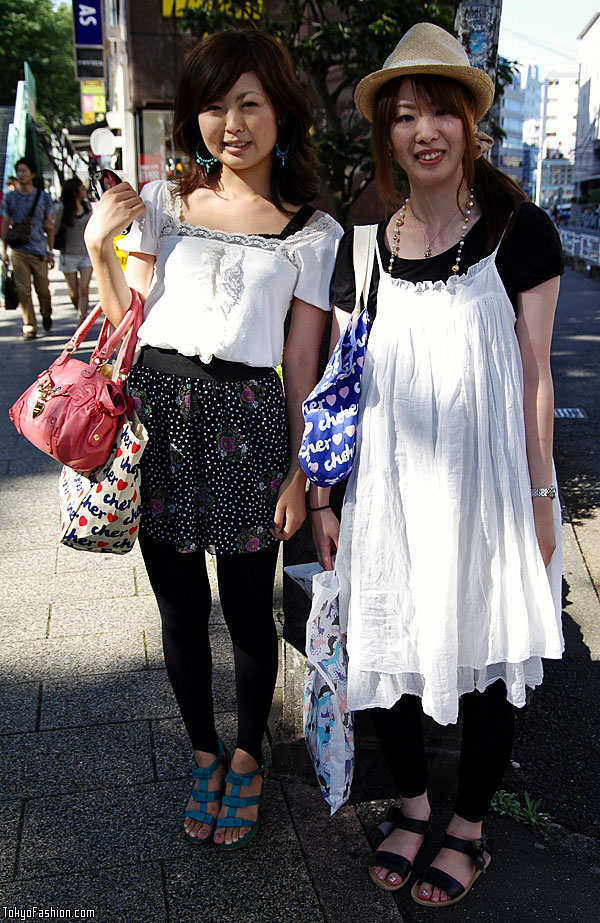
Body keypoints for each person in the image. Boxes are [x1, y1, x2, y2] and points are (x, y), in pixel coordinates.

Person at [310, 22, 564, 908]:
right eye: (405, 114)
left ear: (469, 126)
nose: (424, 130)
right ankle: (413, 809)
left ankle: (468, 827)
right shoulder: (363, 248)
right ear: (387, 135)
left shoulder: (520, 233)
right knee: (387, 635)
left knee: (490, 648)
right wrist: (323, 494)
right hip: (387, 490)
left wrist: (540, 495)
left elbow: (537, 378)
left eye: (440, 113)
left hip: (494, 487)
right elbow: (340, 391)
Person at [84, 30, 342, 850]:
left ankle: (247, 756)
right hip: (161, 417)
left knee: (246, 612)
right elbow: (132, 318)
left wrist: (304, 476)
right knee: (179, 609)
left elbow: (302, 364)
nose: (231, 121)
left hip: (246, 425)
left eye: (249, 102)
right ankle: (203, 753)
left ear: (281, 113)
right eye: (214, 103)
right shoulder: (166, 205)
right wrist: (99, 248)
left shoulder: (310, 228)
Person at [1, 157, 55, 339]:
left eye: (25, 171)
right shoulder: (10, 198)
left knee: (43, 291)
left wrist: (50, 250)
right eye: (19, 171)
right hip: (19, 250)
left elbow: (49, 225)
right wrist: (4, 249)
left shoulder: (43, 197)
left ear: (32, 174)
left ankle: (46, 312)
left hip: (39, 250)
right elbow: (6, 223)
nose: (21, 174)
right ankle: (29, 325)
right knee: (23, 290)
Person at [54, 178, 93, 320]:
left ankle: (81, 320)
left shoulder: (88, 207)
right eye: (80, 188)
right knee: (74, 292)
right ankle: (79, 311)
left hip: (86, 253)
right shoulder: (62, 209)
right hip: (68, 254)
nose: (84, 190)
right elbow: (54, 228)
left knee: (84, 288)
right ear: (73, 191)